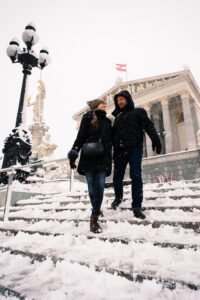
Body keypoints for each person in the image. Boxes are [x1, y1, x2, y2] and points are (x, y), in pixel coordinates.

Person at [111, 90, 162, 219]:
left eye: (121, 99)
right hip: (120, 150)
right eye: (117, 101)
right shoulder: (117, 117)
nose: (119, 102)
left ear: (127, 99)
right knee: (117, 177)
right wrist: (112, 151)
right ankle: (118, 197)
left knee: (136, 176)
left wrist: (156, 139)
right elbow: (113, 136)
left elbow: (149, 126)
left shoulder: (139, 112)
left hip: (135, 149)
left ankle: (137, 206)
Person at [68, 99, 112, 233]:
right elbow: (80, 137)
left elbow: (111, 141)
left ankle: (94, 218)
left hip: (102, 158)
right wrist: (74, 152)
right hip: (88, 158)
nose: (105, 105)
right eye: (102, 103)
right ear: (95, 106)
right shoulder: (87, 118)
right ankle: (97, 209)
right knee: (92, 190)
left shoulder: (108, 121)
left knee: (99, 187)